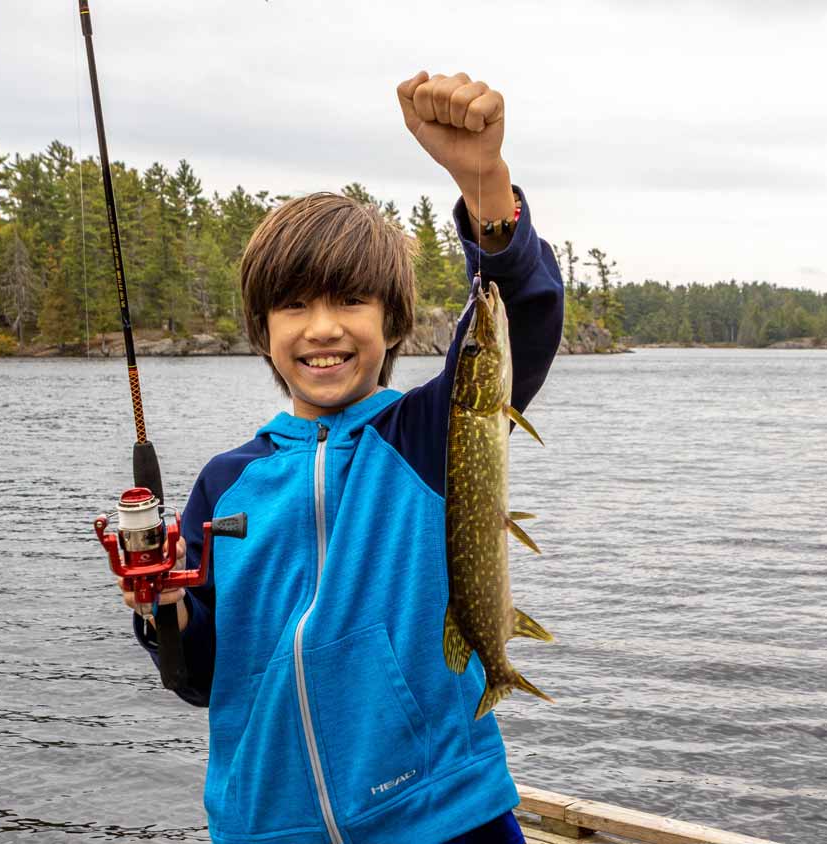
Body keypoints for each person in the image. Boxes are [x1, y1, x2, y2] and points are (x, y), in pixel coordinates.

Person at [118, 70, 564, 844]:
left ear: (393, 322)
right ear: (261, 330)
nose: (321, 328)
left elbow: (518, 314)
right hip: (266, 825)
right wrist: (164, 607)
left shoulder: (430, 436)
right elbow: (198, 676)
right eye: (293, 306)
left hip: (443, 816)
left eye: (348, 301)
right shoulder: (226, 484)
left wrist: (484, 183)